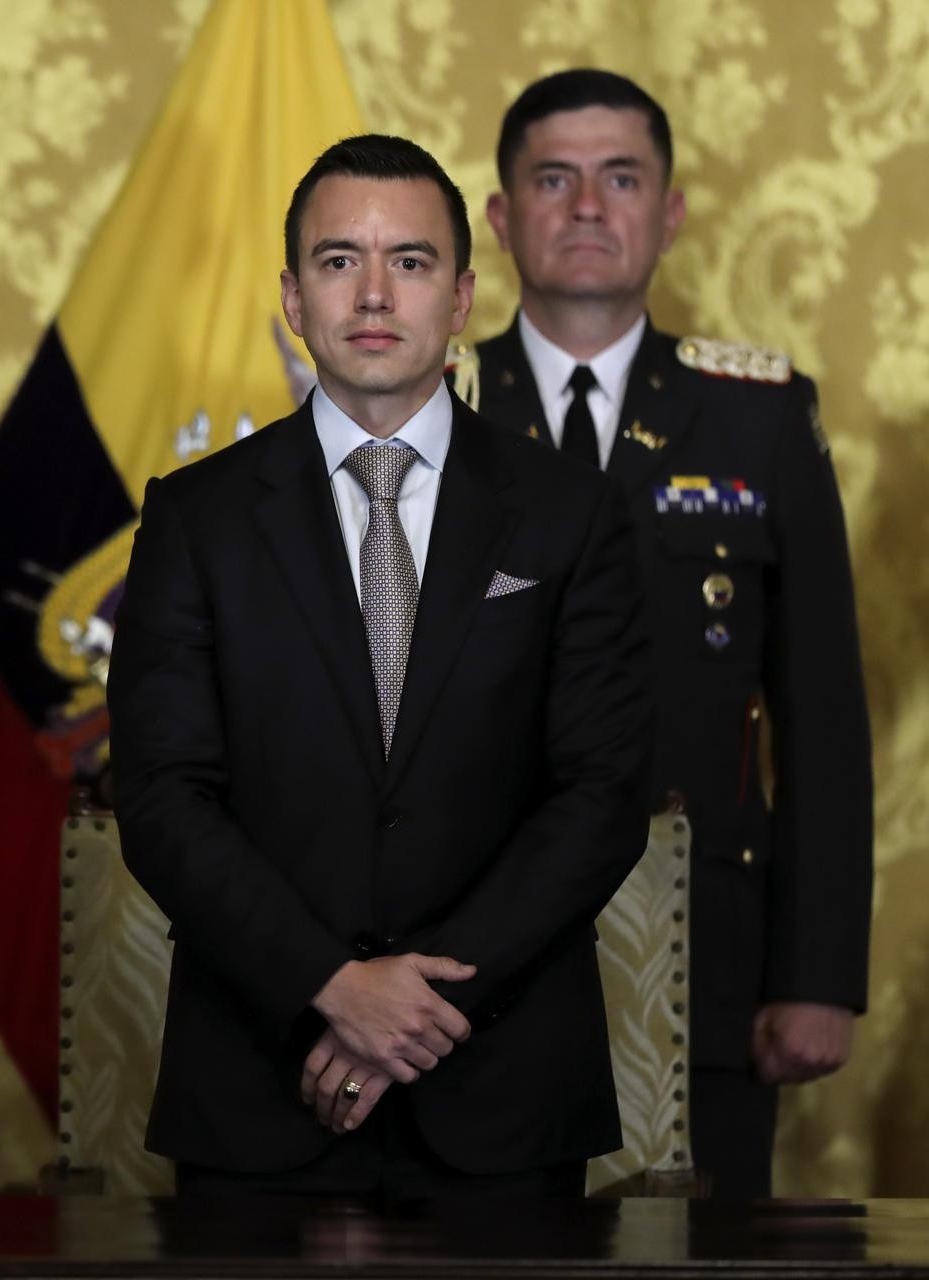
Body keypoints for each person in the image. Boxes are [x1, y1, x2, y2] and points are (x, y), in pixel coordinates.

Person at [107, 134, 653, 1197]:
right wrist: (327, 984)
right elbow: (164, 796)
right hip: (261, 1086)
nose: (371, 291)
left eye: (408, 261)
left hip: (502, 1090)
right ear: (292, 295)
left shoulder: (570, 512)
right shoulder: (197, 516)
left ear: (461, 297)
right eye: (335, 259)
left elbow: (600, 794)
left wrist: (410, 1010)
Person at [466, 69, 872, 1199]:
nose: (588, 205)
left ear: (670, 211)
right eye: (554, 177)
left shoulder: (759, 413)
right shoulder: (430, 402)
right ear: (501, 217)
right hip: (466, 964)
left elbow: (823, 714)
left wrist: (818, 972)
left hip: (709, 965)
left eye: (621, 177)